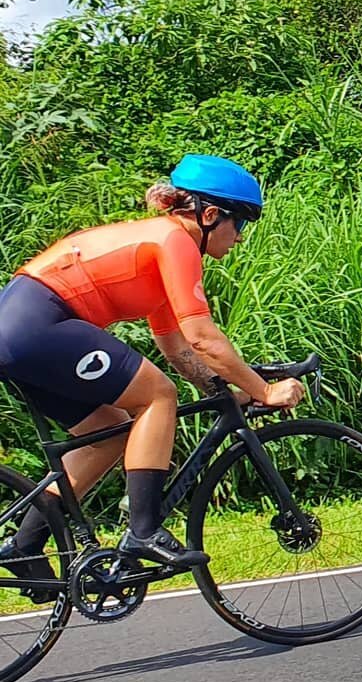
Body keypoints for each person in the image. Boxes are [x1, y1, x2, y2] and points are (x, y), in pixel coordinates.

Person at [0, 154, 304, 597]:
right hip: (38, 322)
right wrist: (265, 390)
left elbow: (178, 346)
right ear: (209, 214)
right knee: (157, 395)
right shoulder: (174, 242)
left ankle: (25, 545)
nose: (240, 237)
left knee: (108, 430)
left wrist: (227, 392)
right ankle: (143, 531)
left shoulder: (160, 247)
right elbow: (205, 337)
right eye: (239, 223)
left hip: (21, 327)